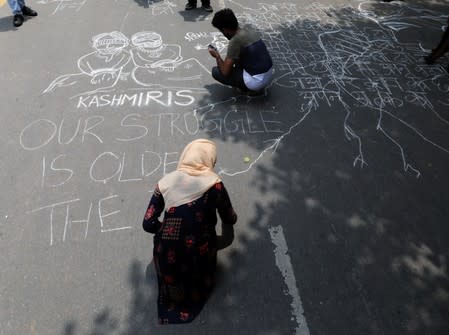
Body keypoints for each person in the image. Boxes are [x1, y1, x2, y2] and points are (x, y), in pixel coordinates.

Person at [142, 139, 237, 324]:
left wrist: (168, 229)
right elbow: (229, 216)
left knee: (168, 243)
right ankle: (194, 277)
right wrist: (230, 223)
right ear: (209, 160)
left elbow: (148, 223)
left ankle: (172, 280)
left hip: (166, 252)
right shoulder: (215, 184)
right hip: (198, 251)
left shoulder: (165, 182)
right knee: (205, 242)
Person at [208, 8, 273, 94]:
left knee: (216, 72)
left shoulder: (235, 40)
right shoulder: (248, 30)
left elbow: (225, 72)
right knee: (237, 57)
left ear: (225, 30)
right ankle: (248, 83)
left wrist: (217, 56)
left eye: (221, 31)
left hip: (256, 81)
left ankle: (246, 88)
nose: (222, 34)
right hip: (268, 74)